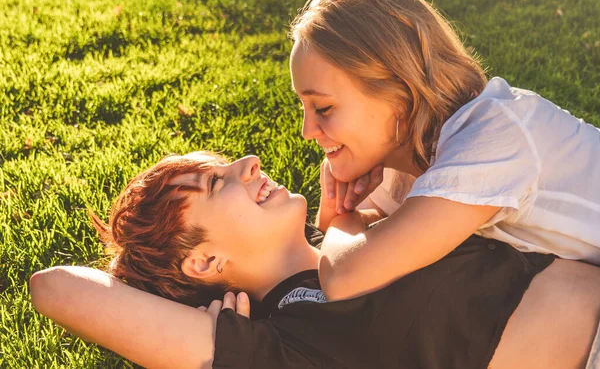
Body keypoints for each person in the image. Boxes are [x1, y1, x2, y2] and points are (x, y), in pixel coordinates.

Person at [30, 152, 600, 369]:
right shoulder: (279, 339)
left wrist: (347, 224)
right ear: (204, 262)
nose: (249, 163)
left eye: (227, 163)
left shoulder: (376, 223)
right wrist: (211, 332)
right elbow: (55, 288)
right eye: (215, 183)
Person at [289, 0, 600, 301]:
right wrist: (338, 212)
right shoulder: (397, 153)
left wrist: (345, 218)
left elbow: (345, 277)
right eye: (304, 106)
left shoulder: (491, 137)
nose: (307, 131)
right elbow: (335, 250)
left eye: (323, 108)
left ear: (399, 94)